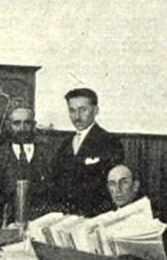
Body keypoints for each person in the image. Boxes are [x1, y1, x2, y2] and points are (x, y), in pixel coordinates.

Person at [48, 88, 125, 216]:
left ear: (95, 111)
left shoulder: (110, 142)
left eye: (83, 110)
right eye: (72, 111)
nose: (77, 117)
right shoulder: (65, 144)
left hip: (95, 217)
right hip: (66, 216)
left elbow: (110, 188)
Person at [0, 106, 52, 222]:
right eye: (17, 123)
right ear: (9, 125)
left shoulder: (48, 154)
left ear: (34, 125)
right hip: (7, 222)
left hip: (39, 220)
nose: (22, 128)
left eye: (27, 123)